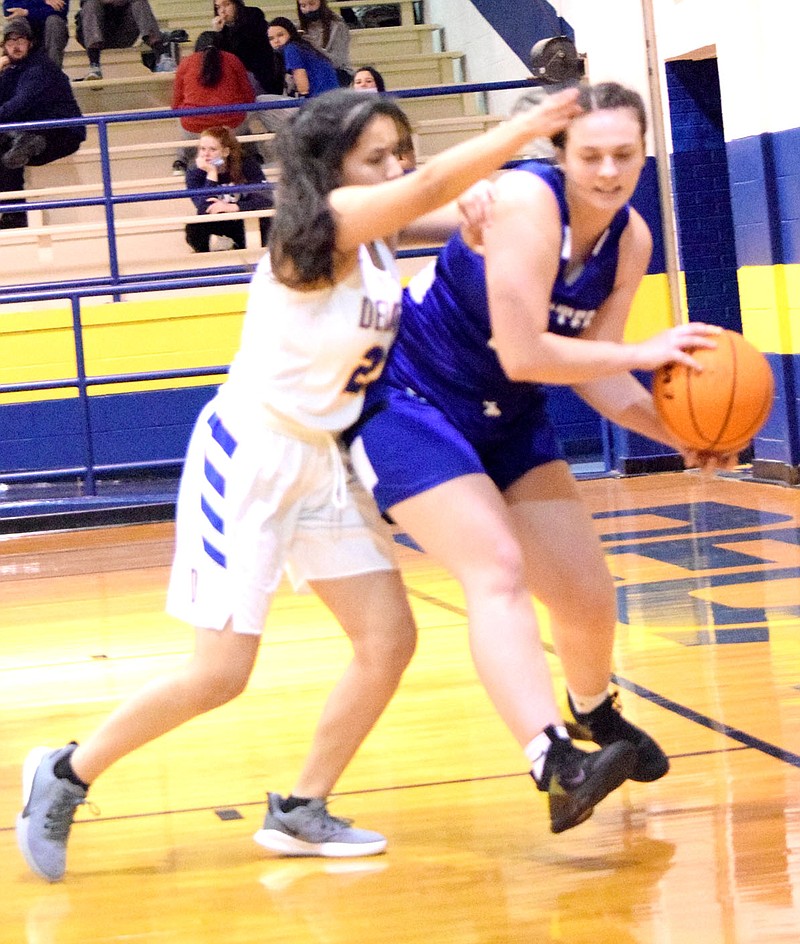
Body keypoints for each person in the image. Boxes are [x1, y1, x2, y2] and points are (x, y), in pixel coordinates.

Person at [15, 85, 590, 884]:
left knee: (389, 640)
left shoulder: (381, 233)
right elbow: (425, 194)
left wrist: (491, 198)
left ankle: (300, 807)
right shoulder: (311, 232)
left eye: (400, 152)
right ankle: (66, 771)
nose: (397, 167)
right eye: (376, 157)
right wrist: (519, 133)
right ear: (333, 169)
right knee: (220, 673)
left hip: (325, 458)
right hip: (250, 454)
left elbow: (439, 205)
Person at [346, 82, 737, 828]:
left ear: (644, 152)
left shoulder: (631, 239)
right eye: (590, 154)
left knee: (589, 595)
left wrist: (681, 432)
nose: (608, 170)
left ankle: (593, 711)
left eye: (624, 154)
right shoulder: (528, 204)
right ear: (561, 155)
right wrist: (646, 348)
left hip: (508, 417)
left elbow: (598, 369)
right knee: (496, 567)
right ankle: (551, 759)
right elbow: (526, 353)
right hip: (412, 401)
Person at [0, 16, 85, 229]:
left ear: (30, 43)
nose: (16, 46)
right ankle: (13, 212)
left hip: (61, 131)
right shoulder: (12, 70)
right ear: (4, 47)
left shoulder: (40, 67)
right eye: (11, 42)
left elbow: (20, 104)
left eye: (21, 41)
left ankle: (15, 215)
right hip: (31, 128)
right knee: (9, 149)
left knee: (11, 153)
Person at [171, 31, 255, 175]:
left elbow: (175, 104)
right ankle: (253, 156)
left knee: (183, 118)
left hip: (194, 129)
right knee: (248, 117)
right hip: (231, 127)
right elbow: (250, 98)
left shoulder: (186, 62)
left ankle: (181, 161)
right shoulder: (233, 59)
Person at [184, 125, 271, 252]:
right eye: (202, 149)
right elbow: (202, 209)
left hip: (242, 217)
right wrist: (211, 175)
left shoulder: (246, 164)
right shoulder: (194, 171)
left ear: (225, 152)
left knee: (267, 222)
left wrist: (233, 207)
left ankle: (240, 249)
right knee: (194, 229)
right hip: (216, 220)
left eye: (212, 149)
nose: (206, 154)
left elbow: (266, 199)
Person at [75, 0, 176, 80]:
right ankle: (94, 66)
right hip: (94, 32)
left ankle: (162, 57)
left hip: (123, 31)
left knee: (139, 1)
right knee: (91, 3)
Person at [212, 0, 283, 96]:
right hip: (238, 78)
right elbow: (223, 57)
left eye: (226, 5)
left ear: (236, 4)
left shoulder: (253, 15)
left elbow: (244, 48)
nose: (222, 11)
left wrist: (226, 31)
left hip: (260, 75)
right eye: (218, 7)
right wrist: (218, 33)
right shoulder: (223, 30)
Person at [267, 16, 338, 98]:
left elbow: (302, 83)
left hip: (318, 100)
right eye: (271, 39)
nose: (276, 41)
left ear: (290, 33)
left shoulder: (291, 48)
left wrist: (302, 100)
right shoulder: (304, 46)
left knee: (261, 99)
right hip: (332, 97)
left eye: (280, 35)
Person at [296, 0, 352, 87]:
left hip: (338, 73)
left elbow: (338, 62)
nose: (308, 9)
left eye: (312, 4)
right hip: (311, 74)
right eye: (303, 6)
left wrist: (312, 45)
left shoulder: (338, 25)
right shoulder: (299, 28)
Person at [3, 0, 68, 67]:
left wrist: (27, 12)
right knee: (17, 20)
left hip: (50, 31)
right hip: (26, 29)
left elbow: (59, 10)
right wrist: (42, 2)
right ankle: (17, 69)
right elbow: (9, 9)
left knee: (54, 22)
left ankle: (52, 72)